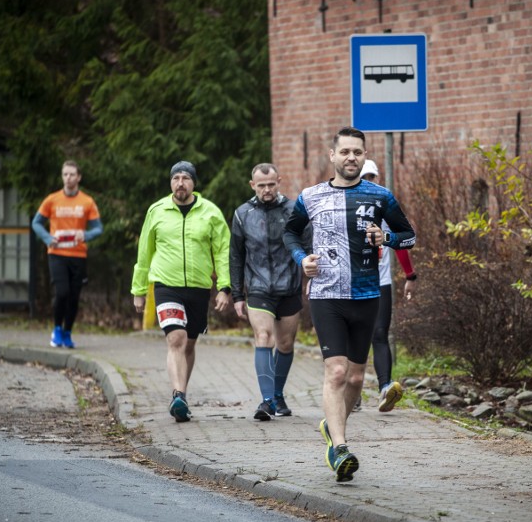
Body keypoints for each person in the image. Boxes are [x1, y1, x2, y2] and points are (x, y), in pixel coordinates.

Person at [283, 127, 415, 483]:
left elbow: (409, 236)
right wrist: (301, 259)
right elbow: (290, 232)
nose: (351, 158)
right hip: (326, 296)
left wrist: (386, 236)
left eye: (357, 152)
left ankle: (332, 424)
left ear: (364, 155)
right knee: (337, 372)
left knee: (356, 377)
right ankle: (339, 447)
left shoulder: (380, 196)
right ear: (333, 155)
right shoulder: (310, 196)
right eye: (345, 152)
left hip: (368, 295)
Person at [130, 161, 232, 423]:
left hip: (198, 287)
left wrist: (224, 286)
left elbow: (223, 252)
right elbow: (145, 252)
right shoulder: (157, 211)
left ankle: (181, 397)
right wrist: (138, 289)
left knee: (189, 342)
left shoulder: (210, 212)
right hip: (166, 284)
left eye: (186, 178)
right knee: (176, 338)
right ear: (170, 183)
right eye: (176, 178)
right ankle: (179, 395)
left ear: (193, 183)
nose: (180, 183)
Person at [230, 163, 309, 421]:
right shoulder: (242, 214)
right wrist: (237, 295)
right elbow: (236, 257)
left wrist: (308, 278)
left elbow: (307, 246)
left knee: (285, 344)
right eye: (261, 185)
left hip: (289, 287)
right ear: (252, 185)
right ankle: (266, 401)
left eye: (271, 184)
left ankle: (277, 394)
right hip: (258, 287)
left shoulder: (294, 210)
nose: (266, 189)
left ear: (279, 182)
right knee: (263, 336)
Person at [357, 159, 417, 413]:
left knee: (380, 334)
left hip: (380, 282)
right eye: (365, 178)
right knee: (356, 340)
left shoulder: (383, 207)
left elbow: (400, 243)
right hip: (354, 283)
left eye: (373, 177)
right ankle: (352, 391)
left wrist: (410, 276)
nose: (370, 182)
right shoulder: (346, 207)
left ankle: (385, 389)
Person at [32, 160, 103, 349]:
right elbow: (36, 223)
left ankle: (67, 332)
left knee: (74, 297)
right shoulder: (52, 199)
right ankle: (56, 329)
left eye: (72, 174)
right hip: (56, 253)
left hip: (78, 255)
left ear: (78, 177)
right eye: (65, 174)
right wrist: (48, 238)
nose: (68, 178)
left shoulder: (87, 201)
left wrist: (85, 234)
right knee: (62, 292)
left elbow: (98, 228)